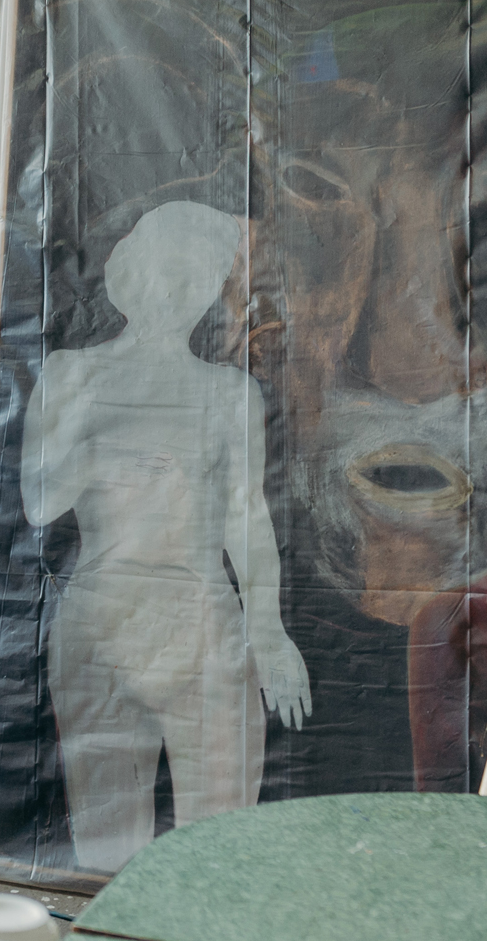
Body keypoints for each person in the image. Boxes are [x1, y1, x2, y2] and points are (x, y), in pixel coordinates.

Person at [20, 200, 309, 872]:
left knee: (222, 839)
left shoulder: (230, 392)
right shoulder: (72, 374)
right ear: (132, 271)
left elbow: (247, 516)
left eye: (204, 275)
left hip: (204, 621)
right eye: (171, 269)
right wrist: (91, 434)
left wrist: (267, 629)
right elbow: (39, 503)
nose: (185, 289)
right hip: (102, 620)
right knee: (107, 836)